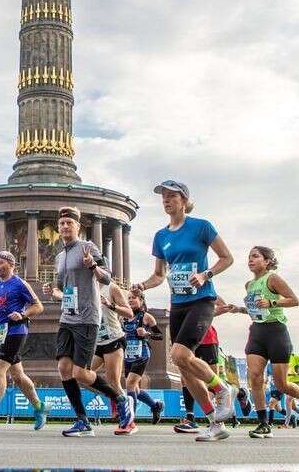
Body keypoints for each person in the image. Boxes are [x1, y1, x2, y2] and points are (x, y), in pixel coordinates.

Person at [132, 181, 235, 442]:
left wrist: (205, 274)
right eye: (163, 197)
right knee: (184, 369)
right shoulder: (161, 236)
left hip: (202, 299)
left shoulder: (201, 226)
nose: (166, 200)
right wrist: (142, 285)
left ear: (184, 199)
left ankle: (222, 389)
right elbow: (159, 275)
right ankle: (216, 423)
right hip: (177, 303)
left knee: (180, 353)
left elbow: (227, 257)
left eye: (171, 196)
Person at [50, 206, 135, 437]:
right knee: (63, 368)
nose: (65, 226)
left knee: (79, 373)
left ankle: (119, 398)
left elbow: (107, 277)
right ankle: (82, 420)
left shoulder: (88, 247)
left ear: (78, 226)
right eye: (62, 223)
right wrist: (56, 294)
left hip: (88, 318)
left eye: (70, 223)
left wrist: (93, 266)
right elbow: (60, 288)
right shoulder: (59, 257)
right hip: (67, 316)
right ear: (58, 228)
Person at [221, 246, 299, 439]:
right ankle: (263, 424)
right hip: (257, 331)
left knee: (282, 385)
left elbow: (294, 300)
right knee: (256, 377)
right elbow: (255, 309)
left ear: (267, 261)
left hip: (276, 331)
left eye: (255, 256)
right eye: (249, 257)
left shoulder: (272, 278)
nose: (250, 260)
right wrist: (239, 309)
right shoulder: (249, 285)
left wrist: (272, 302)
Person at [0, 251, 48, 430]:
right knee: (18, 375)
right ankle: (39, 408)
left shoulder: (20, 284)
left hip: (17, 331)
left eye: (1, 263)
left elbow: (39, 306)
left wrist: (22, 314)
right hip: (0, 333)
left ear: (11, 265)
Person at [90, 282, 134, 433]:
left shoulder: (111, 288)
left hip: (114, 339)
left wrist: (110, 305)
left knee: (113, 381)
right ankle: (119, 399)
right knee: (82, 375)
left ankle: (128, 422)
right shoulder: (88, 286)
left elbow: (129, 313)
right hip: (98, 341)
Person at [122, 290, 164, 426]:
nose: (130, 300)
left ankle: (130, 420)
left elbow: (160, 336)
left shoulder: (146, 317)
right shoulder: (123, 317)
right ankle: (155, 406)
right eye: (128, 298)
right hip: (128, 356)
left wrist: (147, 334)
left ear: (141, 300)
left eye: (133, 298)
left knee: (129, 384)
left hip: (142, 354)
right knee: (135, 389)